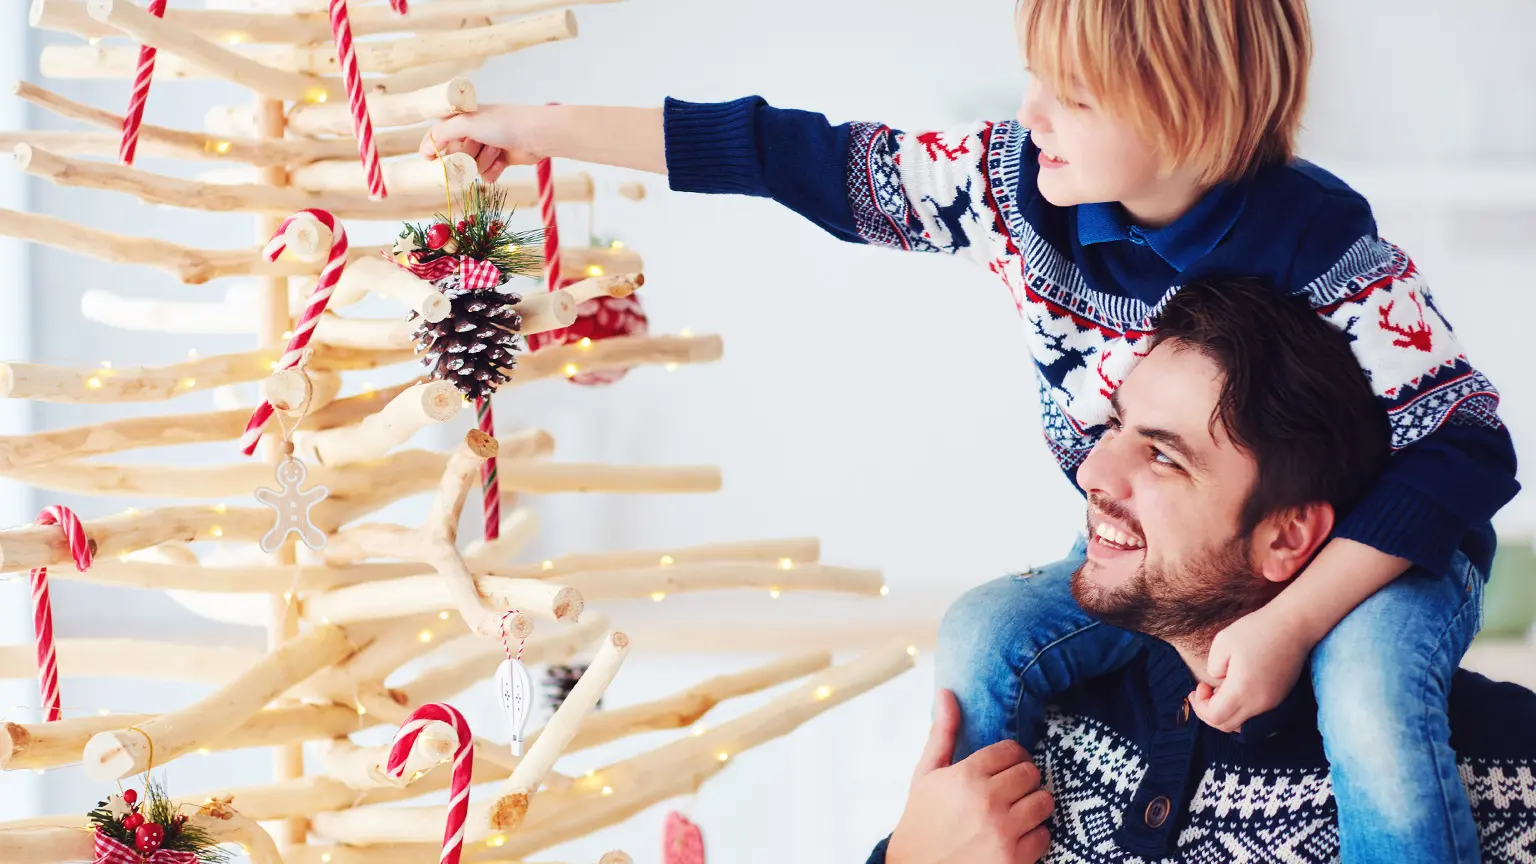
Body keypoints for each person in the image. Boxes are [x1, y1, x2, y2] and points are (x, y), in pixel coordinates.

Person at [420, 1, 1519, 858]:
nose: (1033, 111)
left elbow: (1471, 449)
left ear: (1192, 107)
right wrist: (536, 130)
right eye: (1038, 77)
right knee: (988, 632)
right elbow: (790, 153)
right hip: (1186, 567)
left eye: (1075, 96)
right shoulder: (1013, 192)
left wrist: (1292, 626)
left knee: (1371, 703)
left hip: (1377, 560)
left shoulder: (1321, 247)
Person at [869, 278, 1536, 864]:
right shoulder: (1013, 720)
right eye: (1117, 426)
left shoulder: (1496, 773)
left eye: (1163, 456)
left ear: (1287, 536)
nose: (1093, 474)